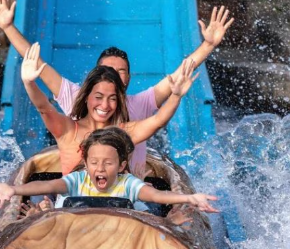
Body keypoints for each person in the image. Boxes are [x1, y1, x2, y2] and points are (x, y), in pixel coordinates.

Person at [0, 0, 234, 171]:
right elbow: (36, 64)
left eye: (120, 71)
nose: (113, 76)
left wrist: (208, 45)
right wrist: (8, 27)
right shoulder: (75, 100)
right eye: (107, 71)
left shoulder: (139, 108)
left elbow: (178, 78)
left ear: (128, 79)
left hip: (128, 196)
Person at [21, 42, 197, 176]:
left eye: (112, 99)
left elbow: (158, 121)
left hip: (117, 206)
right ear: (86, 96)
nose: (105, 105)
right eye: (98, 97)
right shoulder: (68, 130)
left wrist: (176, 96)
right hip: (73, 206)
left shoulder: (124, 133)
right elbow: (43, 107)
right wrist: (29, 83)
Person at [0, 127, 219, 214]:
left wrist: (189, 197)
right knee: (46, 210)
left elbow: (157, 196)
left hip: (113, 237)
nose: (100, 168)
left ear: (122, 166)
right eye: (94, 162)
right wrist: (13, 189)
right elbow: (46, 185)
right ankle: (43, 212)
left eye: (108, 163)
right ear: (86, 164)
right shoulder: (77, 181)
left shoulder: (127, 184)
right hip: (76, 235)